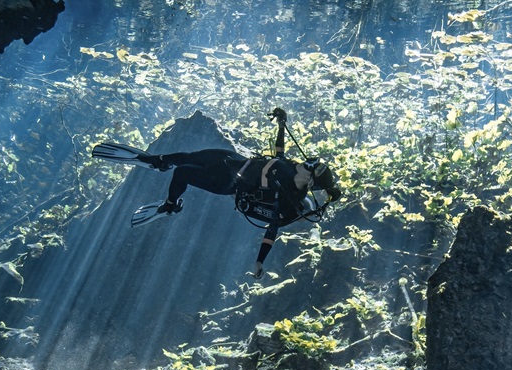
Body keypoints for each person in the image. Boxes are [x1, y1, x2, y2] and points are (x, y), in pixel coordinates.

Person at [92, 109, 341, 277]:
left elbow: (272, 229)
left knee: (183, 172)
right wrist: (282, 123)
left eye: (310, 166)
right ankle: (157, 161)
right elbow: (279, 153)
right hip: (234, 161)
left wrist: (259, 261)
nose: (306, 162)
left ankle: (169, 205)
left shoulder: (287, 196)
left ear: (310, 180)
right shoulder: (294, 169)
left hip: (230, 184)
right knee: (189, 157)